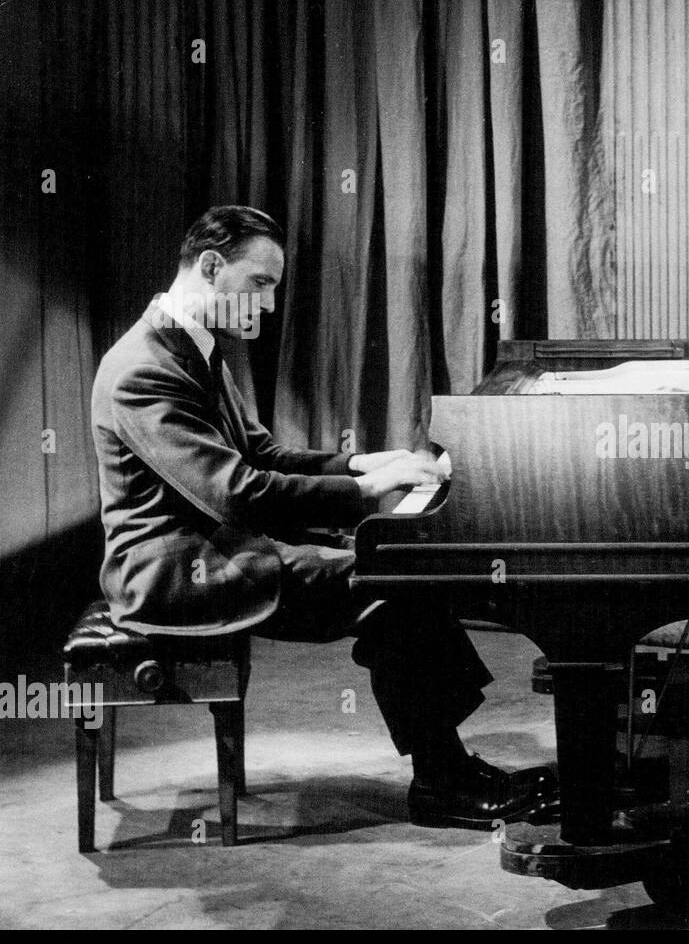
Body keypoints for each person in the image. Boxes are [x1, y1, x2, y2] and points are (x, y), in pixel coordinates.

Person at [91, 205, 557, 829]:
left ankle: (448, 770)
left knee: (395, 582)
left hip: (214, 549)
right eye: (260, 284)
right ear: (209, 266)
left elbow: (262, 453)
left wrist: (364, 461)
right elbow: (239, 492)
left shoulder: (191, 346)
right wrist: (368, 492)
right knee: (388, 588)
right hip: (174, 571)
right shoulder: (144, 368)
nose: (270, 302)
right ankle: (442, 782)